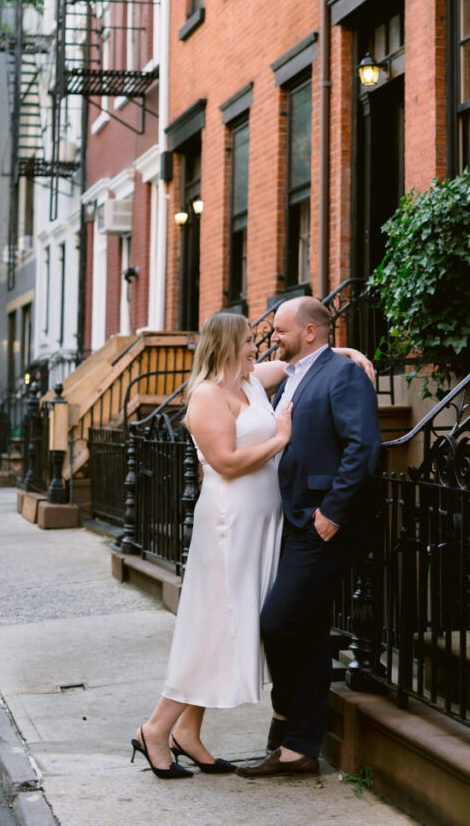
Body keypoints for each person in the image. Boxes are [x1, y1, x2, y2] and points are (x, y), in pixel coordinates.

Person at [131, 311, 373, 780]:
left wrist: (344, 352)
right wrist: (279, 439)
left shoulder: (250, 382)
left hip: (262, 525)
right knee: (216, 626)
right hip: (229, 525)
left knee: (229, 626)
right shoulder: (205, 396)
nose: (256, 346)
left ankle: (189, 733)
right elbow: (225, 463)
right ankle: (156, 730)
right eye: (247, 340)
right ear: (226, 345)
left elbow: (301, 363)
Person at [237, 297, 381, 778]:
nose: (272, 337)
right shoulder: (294, 373)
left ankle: (286, 715)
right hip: (292, 519)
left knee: (277, 623)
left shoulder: (343, 375)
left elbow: (363, 445)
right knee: (311, 633)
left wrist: (332, 513)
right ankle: (300, 749)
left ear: (311, 332)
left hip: (322, 525)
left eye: (280, 329)